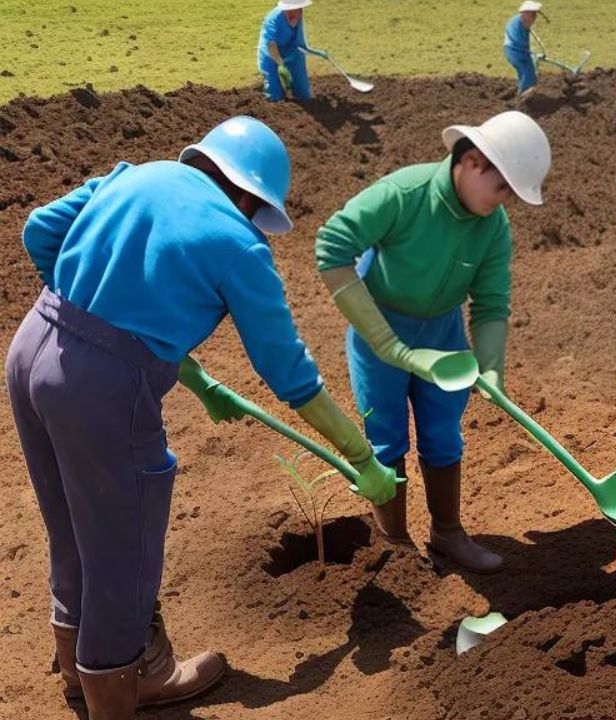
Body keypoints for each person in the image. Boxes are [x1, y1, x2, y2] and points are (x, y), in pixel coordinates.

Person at [6, 116, 397, 718]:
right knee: (124, 547)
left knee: (72, 525)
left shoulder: (133, 176)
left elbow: (40, 231)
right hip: (103, 391)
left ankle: (80, 678)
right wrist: (361, 456)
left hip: (31, 348)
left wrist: (178, 367)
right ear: (250, 197)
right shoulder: (240, 244)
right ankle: (131, 685)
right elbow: (288, 371)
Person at [315, 111, 551, 573]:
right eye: (502, 187)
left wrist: (492, 368)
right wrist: (385, 342)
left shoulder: (493, 227)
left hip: (442, 333)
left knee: (443, 432)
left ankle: (447, 534)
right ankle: (396, 545)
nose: (504, 202)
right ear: (472, 160)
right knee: (384, 439)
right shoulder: (404, 194)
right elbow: (331, 246)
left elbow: (490, 303)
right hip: (379, 326)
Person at [258, 0, 326, 102]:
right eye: (289, 9)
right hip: (271, 54)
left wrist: (317, 52)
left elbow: (300, 42)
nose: (293, 12)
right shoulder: (273, 18)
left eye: (297, 9)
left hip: (291, 50)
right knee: (275, 95)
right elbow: (270, 44)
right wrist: (280, 64)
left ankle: (298, 94)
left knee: (303, 93)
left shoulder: (299, 15)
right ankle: (276, 95)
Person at [504, 1, 542, 98]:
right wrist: (528, 51)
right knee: (527, 73)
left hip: (517, 50)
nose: (534, 17)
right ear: (525, 13)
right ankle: (522, 99)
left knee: (526, 73)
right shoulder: (518, 23)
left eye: (535, 14)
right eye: (532, 14)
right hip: (515, 51)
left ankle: (522, 92)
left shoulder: (518, 21)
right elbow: (517, 41)